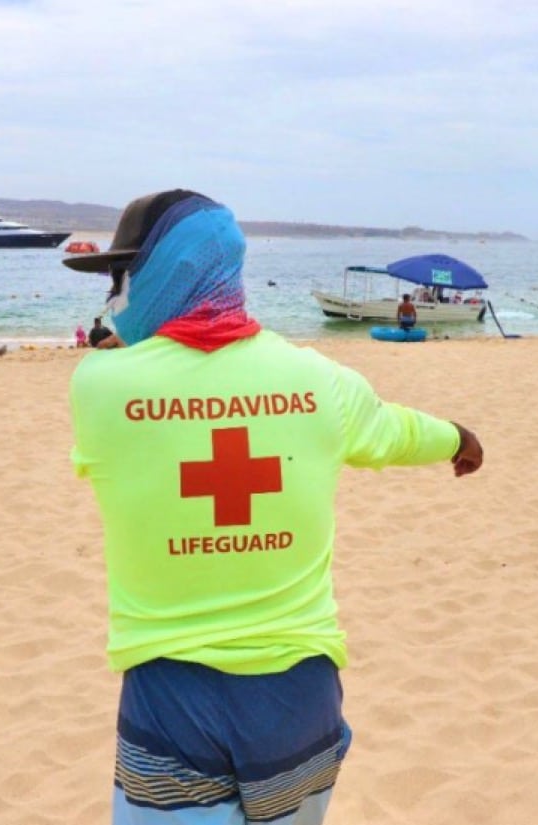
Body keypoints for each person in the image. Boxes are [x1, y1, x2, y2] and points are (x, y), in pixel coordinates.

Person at [63, 189, 483, 825]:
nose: (112, 296)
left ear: (162, 273)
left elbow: (153, 395)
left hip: (172, 694)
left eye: (121, 276)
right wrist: (455, 437)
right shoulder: (319, 380)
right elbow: (391, 429)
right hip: (300, 692)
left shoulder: (100, 389)